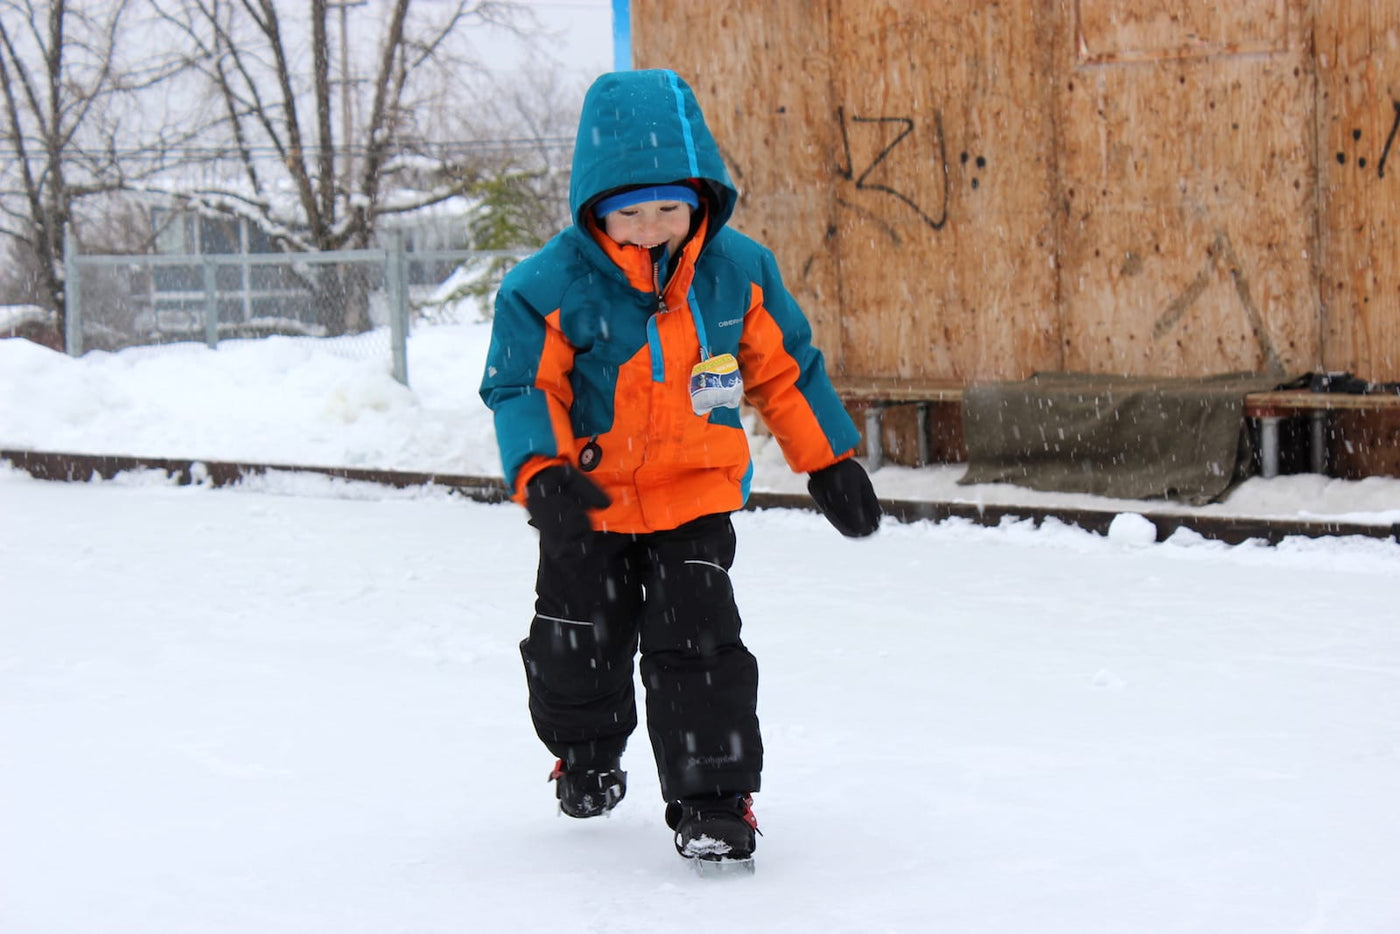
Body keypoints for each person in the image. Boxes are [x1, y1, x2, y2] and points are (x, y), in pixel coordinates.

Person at [479, 69, 881, 865]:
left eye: (671, 206)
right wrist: (543, 475)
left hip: (693, 499)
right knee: (575, 643)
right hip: (586, 504)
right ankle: (587, 754)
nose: (653, 226)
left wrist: (829, 461)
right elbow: (523, 385)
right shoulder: (547, 286)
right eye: (631, 210)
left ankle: (714, 802)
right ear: (594, 204)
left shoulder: (738, 272)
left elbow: (785, 372)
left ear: (702, 194)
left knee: (700, 643)